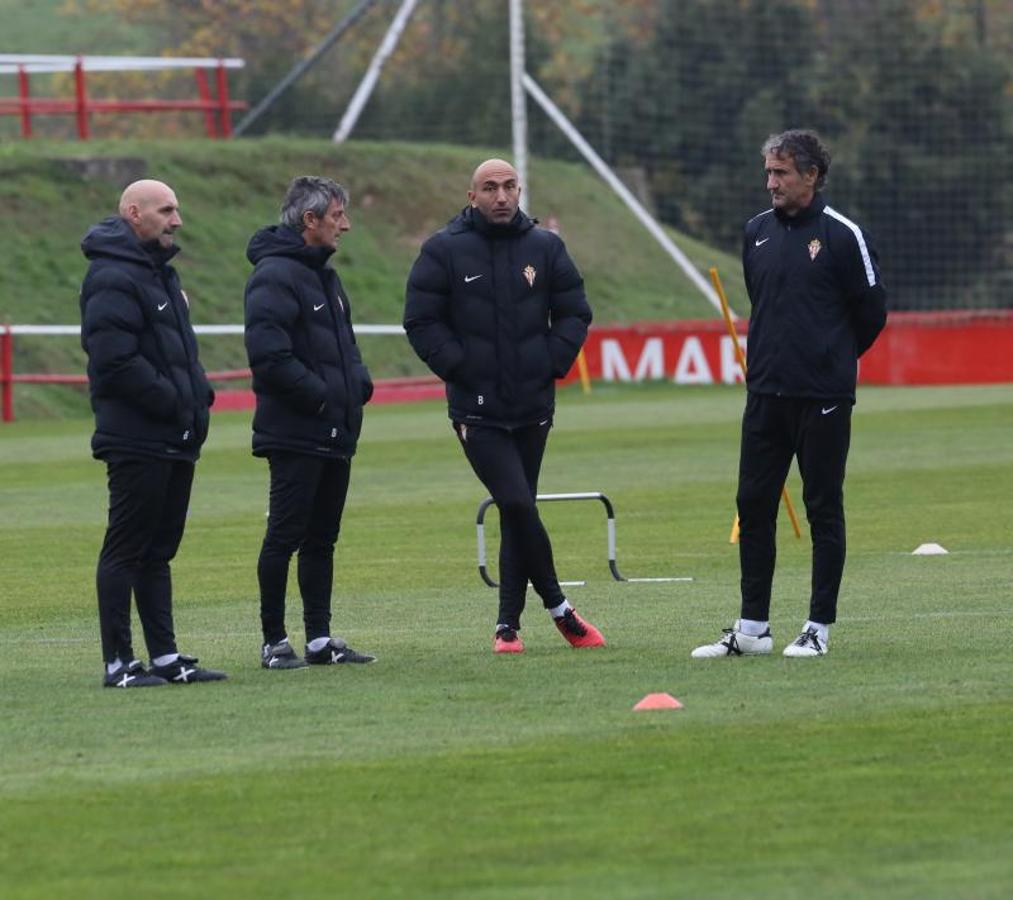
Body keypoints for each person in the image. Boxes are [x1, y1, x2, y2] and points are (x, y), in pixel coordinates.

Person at [692, 129, 887, 660]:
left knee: (822, 506)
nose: (770, 182)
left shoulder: (844, 234)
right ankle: (752, 627)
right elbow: (765, 303)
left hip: (822, 396)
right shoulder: (755, 231)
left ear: (811, 176)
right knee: (753, 505)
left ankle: (818, 627)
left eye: (781, 173)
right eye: (768, 172)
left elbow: (872, 314)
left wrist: (831, 361)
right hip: (765, 396)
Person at [404, 158, 605, 654]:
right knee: (516, 502)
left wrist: (552, 360)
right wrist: (460, 365)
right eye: (490, 188)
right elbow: (420, 319)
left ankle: (506, 628)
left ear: (520, 191)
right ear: (471, 195)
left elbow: (575, 310)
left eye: (509, 186)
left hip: (534, 403)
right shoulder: (443, 250)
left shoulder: (545, 247)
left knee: (521, 510)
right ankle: (561, 609)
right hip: (477, 409)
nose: (501, 196)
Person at [80, 179, 227, 688]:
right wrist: (174, 401)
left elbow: (181, 354)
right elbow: (115, 361)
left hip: (173, 437)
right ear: (133, 213)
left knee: (157, 551)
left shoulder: (159, 274)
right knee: (126, 548)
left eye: (177, 209)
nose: (176, 219)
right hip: (137, 436)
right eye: (166, 210)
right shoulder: (112, 277)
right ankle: (119, 663)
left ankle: (164, 657)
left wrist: (197, 397)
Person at [244, 176, 376, 670]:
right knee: (285, 535)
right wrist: (323, 400)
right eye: (338, 215)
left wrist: (357, 385)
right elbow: (269, 356)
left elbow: (346, 347)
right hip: (297, 433)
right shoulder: (274, 276)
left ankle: (319, 640)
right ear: (310, 221)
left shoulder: (326, 276)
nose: (346, 224)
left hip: (335, 431)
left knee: (322, 538)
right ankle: (274, 641)